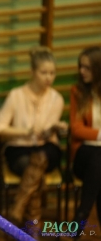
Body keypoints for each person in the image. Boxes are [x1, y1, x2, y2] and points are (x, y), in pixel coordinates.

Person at [0, 46, 68, 226]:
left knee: (41, 157)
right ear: (32, 72)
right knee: (35, 169)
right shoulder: (16, 95)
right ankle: (33, 225)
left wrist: (57, 128)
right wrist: (25, 131)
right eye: (44, 72)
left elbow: (47, 132)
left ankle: (18, 207)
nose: (49, 77)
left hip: (46, 148)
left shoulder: (57, 98)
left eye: (52, 73)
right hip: (20, 149)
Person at [70, 46, 101, 234]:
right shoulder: (78, 91)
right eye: (81, 67)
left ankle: (81, 215)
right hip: (84, 156)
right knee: (99, 156)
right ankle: (82, 216)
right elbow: (76, 129)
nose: (82, 71)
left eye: (87, 68)